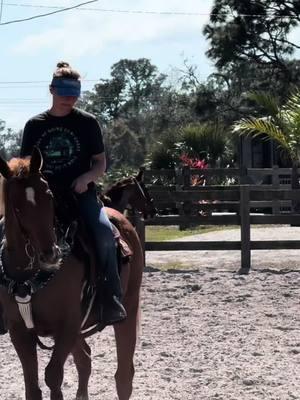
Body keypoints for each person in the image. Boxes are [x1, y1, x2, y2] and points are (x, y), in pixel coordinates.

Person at [19, 61, 127, 327]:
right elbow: (24, 167)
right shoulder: (35, 125)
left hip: (80, 195)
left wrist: (86, 178)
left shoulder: (87, 123)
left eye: (74, 93)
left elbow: (100, 163)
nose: (70, 98)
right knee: (4, 234)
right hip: (42, 199)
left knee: (103, 233)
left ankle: (110, 297)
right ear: (52, 90)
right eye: (65, 92)